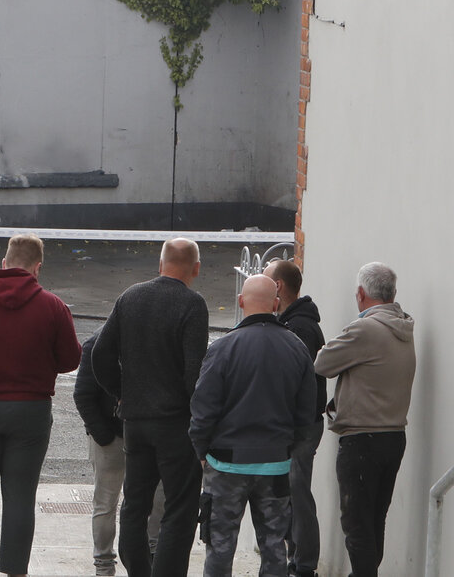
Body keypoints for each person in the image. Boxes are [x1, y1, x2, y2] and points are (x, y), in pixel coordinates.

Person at [0, 233, 80, 577]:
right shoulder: (53, 307)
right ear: (37, 268)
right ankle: (15, 571)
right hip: (31, 410)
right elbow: (70, 360)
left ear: (4, 262)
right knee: (20, 494)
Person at [91, 237, 209, 577]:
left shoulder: (130, 297)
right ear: (196, 268)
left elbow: (100, 354)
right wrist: (199, 418)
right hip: (175, 424)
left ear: (160, 264)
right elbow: (193, 373)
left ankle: (138, 570)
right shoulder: (193, 305)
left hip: (136, 422)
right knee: (179, 506)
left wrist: (120, 393)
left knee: (135, 503)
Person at [188, 274, 314, 577]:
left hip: (226, 462)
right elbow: (306, 411)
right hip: (275, 463)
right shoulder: (296, 348)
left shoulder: (222, 348)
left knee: (220, 546)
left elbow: (203, 409)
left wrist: (201, 450)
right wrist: (289, 447)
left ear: (241, 301)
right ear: (275, 303)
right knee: (273, 546)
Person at [313, 262, 415, 577]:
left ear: (360, 293)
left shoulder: (364, 329)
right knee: (373, 520)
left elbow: (322, 363)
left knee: (356, 523)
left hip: (361, 439)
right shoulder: (404, 326)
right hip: (394, 435)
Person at [74, 327, 164, 577]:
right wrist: (104, 436)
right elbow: (82, 395)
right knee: (108, 502)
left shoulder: (100, 343)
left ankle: (145, 556)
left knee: (151, 499)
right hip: (115, 436)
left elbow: (83, 395)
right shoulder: (102, 344)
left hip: (139, 434)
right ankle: (105, 563)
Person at [263, 258, 326, 577]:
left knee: (298, 493)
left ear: (279, 287)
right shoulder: (293, 322)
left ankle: (304, 564)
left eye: (265, 280)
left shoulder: (299, 327)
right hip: (293, 425)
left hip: (300, 427)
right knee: (289, 493)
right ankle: (295, 559)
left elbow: (292, 380)